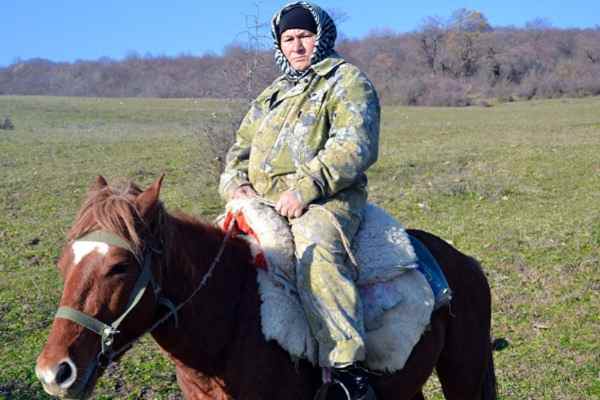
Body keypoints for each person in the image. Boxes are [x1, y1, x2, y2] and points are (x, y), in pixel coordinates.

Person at [219, 2, 380, 398]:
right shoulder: (272, 94)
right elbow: (238, 150)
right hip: (264, 202)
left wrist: (305, 189)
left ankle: (347, 370)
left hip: (329, 200)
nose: (297, 45)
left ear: (321, 36)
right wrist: (235, 185)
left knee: (315, 246)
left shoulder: (346, 81)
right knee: (213, 251)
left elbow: (355, 145)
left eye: (304, 36)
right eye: (288, 39)